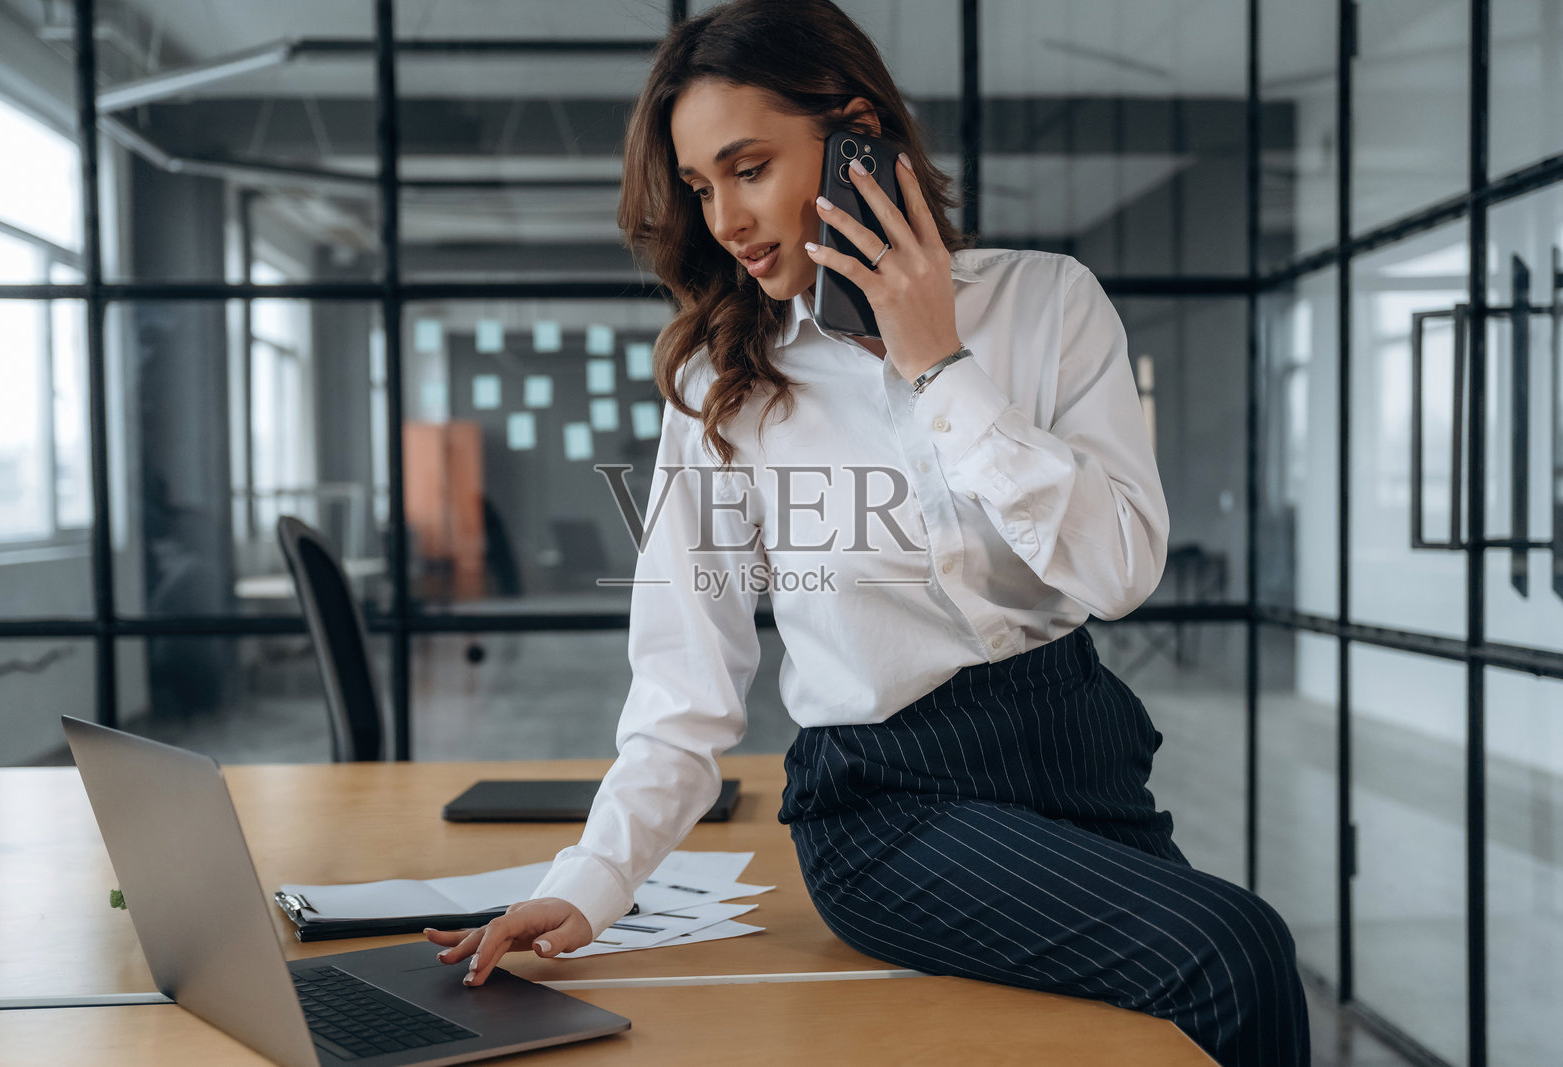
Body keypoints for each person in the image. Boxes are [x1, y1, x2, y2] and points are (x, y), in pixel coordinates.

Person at [425, 2, 1310, 1063]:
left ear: (855, 136)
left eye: (747, 168)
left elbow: (1117, 573)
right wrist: (586, 884)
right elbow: (682, 691)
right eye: (702, 187)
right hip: (890, 807)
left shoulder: (1048, 303)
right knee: (1235, 950)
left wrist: (938, 364)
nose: (725, 221)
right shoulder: (721, 389)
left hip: (1080, 760)